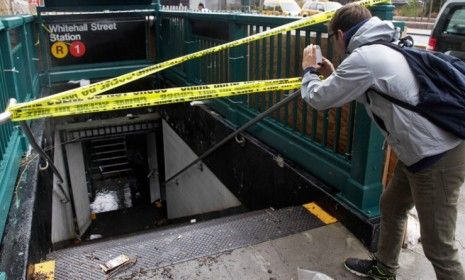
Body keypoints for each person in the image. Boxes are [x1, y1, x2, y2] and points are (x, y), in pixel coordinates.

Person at [301, 3, 465, 280]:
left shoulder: (365, 58)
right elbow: (374, 85)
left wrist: (308, 71)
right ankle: (385, 269)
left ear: (341, 34)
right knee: (391, 205)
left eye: (333, 40)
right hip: (420, 150)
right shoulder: (385, 44)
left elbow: (318, 98)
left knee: (440, 248)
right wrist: (335, 75)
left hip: (437, 155)